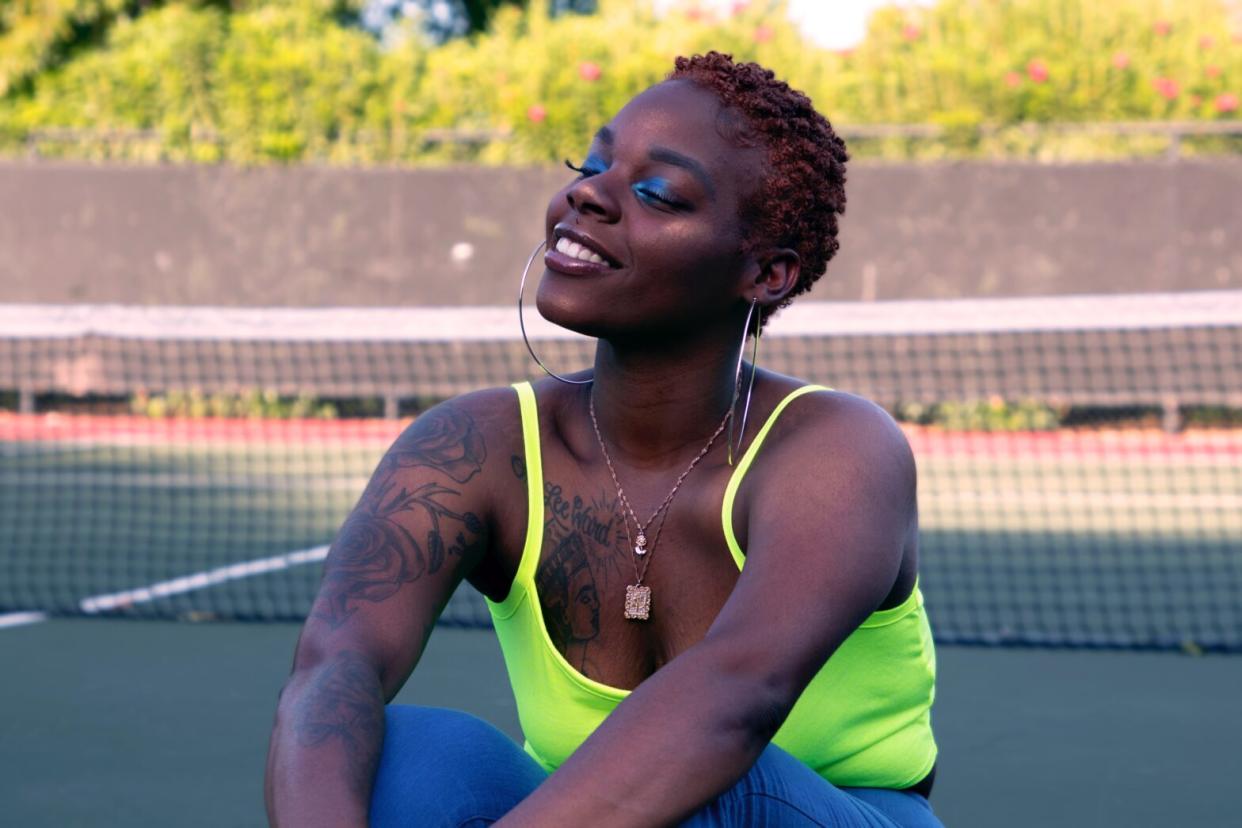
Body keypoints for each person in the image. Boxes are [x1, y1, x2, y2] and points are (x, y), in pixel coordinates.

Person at [265, 51, 940, 827]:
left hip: (816, 812)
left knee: (704, 776)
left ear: (769, 273)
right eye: (589, 163)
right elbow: (334, 662)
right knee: (402, 754)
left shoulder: (837, 452)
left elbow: (732, 699)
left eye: (658, 193)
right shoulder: (474, 448)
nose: (587, 193)